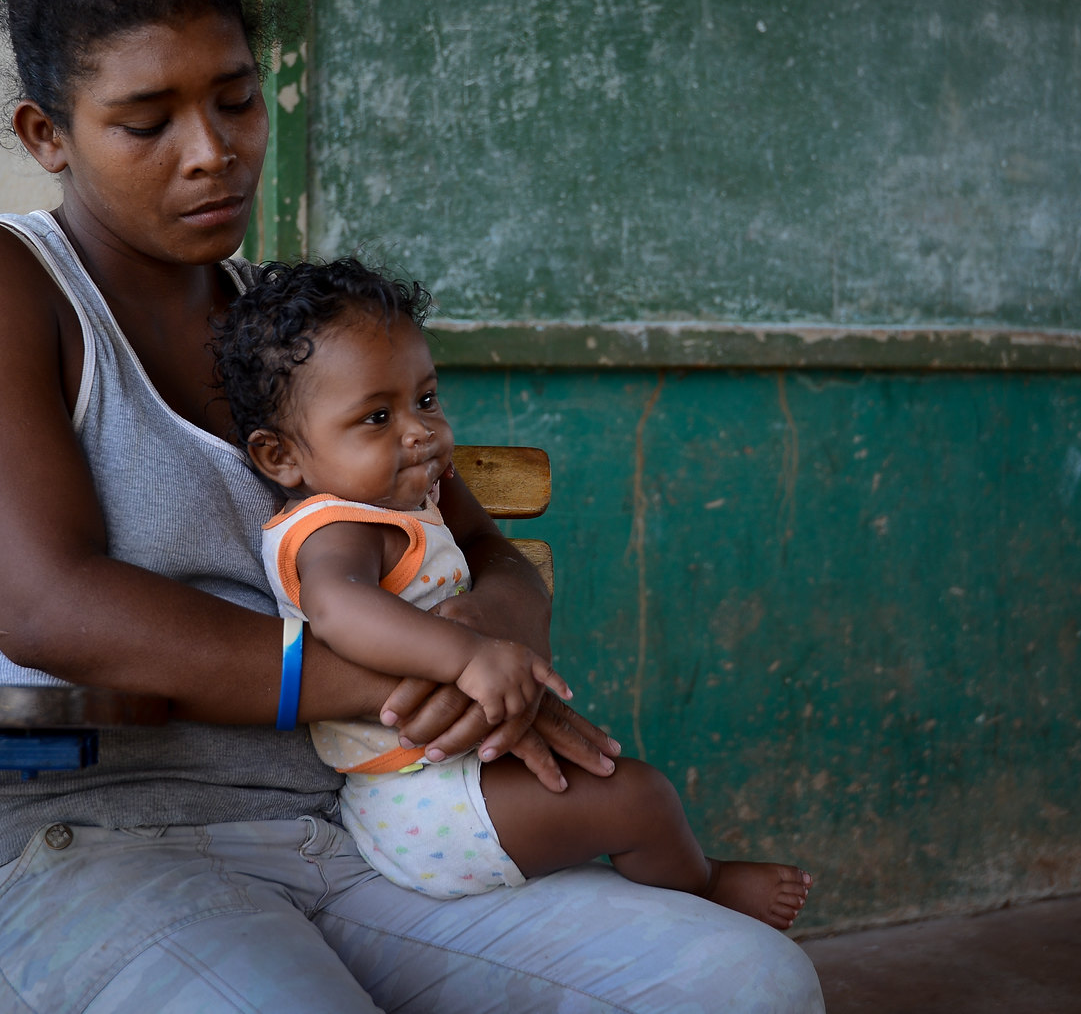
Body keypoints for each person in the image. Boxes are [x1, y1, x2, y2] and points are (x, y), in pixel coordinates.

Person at [0, 0, 825, 1012]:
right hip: (65, 848)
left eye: (235, 100)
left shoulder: (296, 333)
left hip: (348, 828)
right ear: (46, 135)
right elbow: (49, 606)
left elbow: (477, 544)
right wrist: (415, 672)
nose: (211, 152)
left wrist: (494, 639)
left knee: (743, 980)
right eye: (145, 121)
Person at [214, 256, 815, 927]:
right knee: (638, 799)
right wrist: (467, 657)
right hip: (420, 797)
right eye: (376, 416)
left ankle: (683, 891)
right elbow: (338, 608)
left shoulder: (408, 496)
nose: (418, 429)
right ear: (281, 457)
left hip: (446, 773)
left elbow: (486, 547)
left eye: (426, 399)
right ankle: (701, 888)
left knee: (626, 787)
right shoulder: (336, 525)